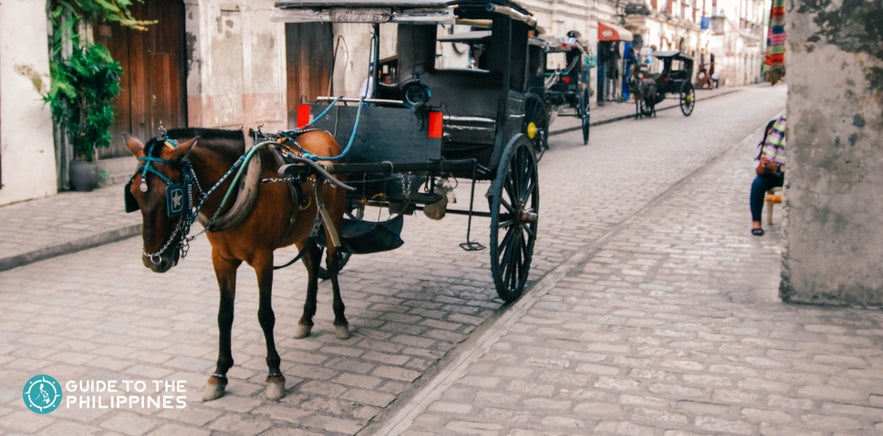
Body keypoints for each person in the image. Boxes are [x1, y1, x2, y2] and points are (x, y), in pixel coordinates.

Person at [750, 116, 786, 236]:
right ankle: (756, 222)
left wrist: (776, 168)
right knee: (757, 183)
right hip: (773, 176)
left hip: (786, 175)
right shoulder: (764, 149)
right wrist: (764, 165)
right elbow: (759, 171)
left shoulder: (784, 147)